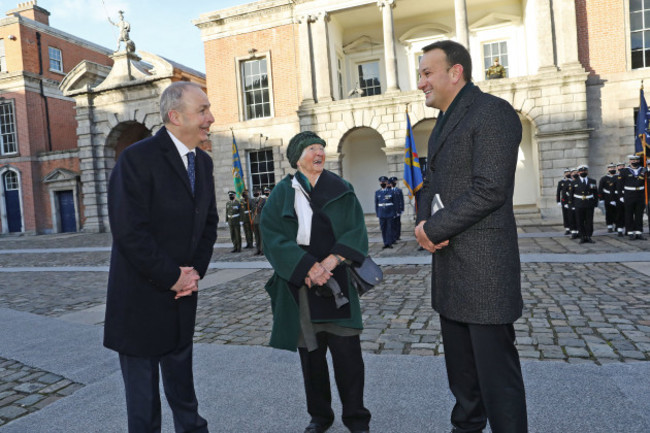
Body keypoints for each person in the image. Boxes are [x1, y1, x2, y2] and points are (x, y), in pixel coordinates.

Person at [414, 40, 527, 432]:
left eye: (427, 73)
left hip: (484, 275)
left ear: (455, 72)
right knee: (463, 384)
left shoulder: (493, 113)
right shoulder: (441, 124)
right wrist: (422, 224)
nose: (421, 82)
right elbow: (429, 185)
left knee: (498, 384)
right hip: (450, 271)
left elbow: (490, 189)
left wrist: (432, 228)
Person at [104, 81, 217, 433]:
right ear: (174, 116)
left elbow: (208, 224)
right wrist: (173, 276)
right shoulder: (136, 159)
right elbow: (129, 231)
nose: (210, 118)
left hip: (182, 297)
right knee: (144, 404)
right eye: (202, 111)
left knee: (183, 389)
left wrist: (192, 275)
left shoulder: (204, 163)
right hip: (140, 298)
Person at [261, 131, 371, 433]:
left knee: (349, 357)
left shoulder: (342, 188)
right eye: (312, 148)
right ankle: (320, 417)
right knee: (312, 360)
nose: (319, 152)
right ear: (297, 157)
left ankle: (356, 418)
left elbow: (355, 231)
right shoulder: (281, 193)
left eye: (321, 148)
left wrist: (330, 262)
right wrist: (308, 268)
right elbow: (272, 237)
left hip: (339, 286)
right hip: (301, 286)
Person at [618, 155, 647, 240]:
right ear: (630, 161)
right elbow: (619, 185)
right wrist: (621, 196)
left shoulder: (643, 169)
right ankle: (630, 232)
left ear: (639, 161)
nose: (635, 162)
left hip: (640, 195)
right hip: (629, 195)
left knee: (639, 215)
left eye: (636, 160)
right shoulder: (624, 171)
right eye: (633, 160)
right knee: (629, 214)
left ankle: (639, 232)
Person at [570, 165, 598, 244]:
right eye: (581, 171)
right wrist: (571, 205)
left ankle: (588, 236)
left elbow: (595, 193)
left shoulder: (592, 181)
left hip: (589, 203)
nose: (583, 172)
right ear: (578, 173)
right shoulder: (574, 182)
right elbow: (571, 195)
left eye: (585, 171)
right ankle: (582, 236)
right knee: (580, 221)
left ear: (587, 172)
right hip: (578, 203)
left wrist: (595, 203)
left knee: (589, 221)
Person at [375, 175, 396, 249]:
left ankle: (389, 243)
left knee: (389, 228)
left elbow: (394, 203)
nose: (382, 183)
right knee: (383, 228)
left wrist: (394, 212)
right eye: (381, 182)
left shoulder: (391, 192)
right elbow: (376, 204)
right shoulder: (377, 192)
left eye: (384, 182)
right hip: (382, 213)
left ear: (387, 182)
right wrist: (378, 213)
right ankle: (385, 243)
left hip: (389, 213)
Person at [598, 163, 618, 233]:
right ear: (608, 169)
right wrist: (601, 199)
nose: (612, 169)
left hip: (617, 197)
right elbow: (600, 189)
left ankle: (617, 226)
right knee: (609, 212)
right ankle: (609, 226)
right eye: (610, 168)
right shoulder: (604, 178)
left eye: (613, 168)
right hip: (608, 197)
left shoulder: (618, 177)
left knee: (618, 212)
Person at [556, 168, 572, 235]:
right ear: (564, 174)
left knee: (572, 214)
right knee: (565, 215)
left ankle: (573, 227)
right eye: (566, 173)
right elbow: (558, 192)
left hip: (572, 200)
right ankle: (567, 228)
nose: (567, 174)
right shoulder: (561, 182)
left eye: (568, 173)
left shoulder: (573, 181)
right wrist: (558, 201)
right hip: (564, 200)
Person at [251, 187, 266, 255]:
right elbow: (251, 210)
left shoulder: (263, 200)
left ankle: (263, 250)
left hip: (260, 220)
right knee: (256, 236)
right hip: (254, 220)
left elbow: (265, 210)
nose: (255, 193)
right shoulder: (251, 201)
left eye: (256, 191)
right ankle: (258, 249)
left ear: (259, 192)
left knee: (261, 236)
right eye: (254, 191)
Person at [389, 176, 404, 243]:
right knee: (392, 224)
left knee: (398, 223)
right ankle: (393, 236)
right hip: (391, 210)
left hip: (398, 210)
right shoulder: (388, 191)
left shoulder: (399, 190)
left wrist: (402, 208)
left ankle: (398, 236)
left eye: (395, 182)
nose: (394, 183)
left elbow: (401, 200)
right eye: (392, 182)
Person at [614, 162, 627, 236]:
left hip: (627, 195)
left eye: (622, 166)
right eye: (619, 166)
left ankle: (628, 229)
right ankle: (619, 229)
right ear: (617, 168)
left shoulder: (627, 175)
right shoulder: (614, 177)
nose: (621, 167)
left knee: (628, 214)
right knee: (619, 214)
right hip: (618, 197)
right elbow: (612, 189)